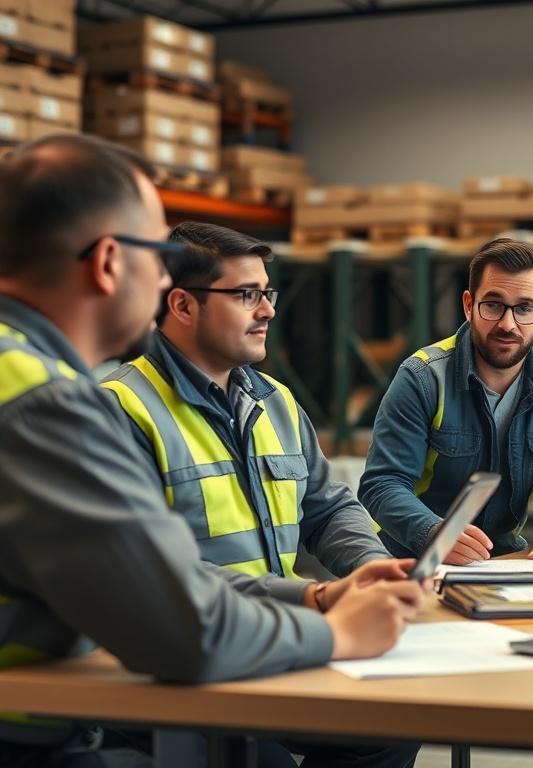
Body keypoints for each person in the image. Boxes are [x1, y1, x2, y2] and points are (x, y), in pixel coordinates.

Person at [0, 134, 426, 768]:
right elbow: (186, 628)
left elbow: (156, 574)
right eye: (159, 256)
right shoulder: (50, 403)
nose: (164, 278)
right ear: (111, 262)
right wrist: (334, 632)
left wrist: (311, 596)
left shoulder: (24, 375)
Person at [102, 221, 394, 590]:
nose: (268, 311)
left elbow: (326, 509)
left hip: (284, 627)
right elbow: (153, 565)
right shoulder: (121, 410)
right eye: (246, 295)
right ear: (183, 305)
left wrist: (373, 564)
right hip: (201, 637)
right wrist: (308, 597)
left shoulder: (275, 401)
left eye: (267, 294)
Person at [360, 237, 533, 564]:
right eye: (493, 304)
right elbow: (382, 484)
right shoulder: (423, 377)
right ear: (469, 305)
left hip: (502, 561)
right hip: (410, 559)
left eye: (525, 308)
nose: (507, 324)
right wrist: (433, 531)